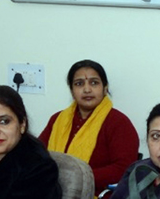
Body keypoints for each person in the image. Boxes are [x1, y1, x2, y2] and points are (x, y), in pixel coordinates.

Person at [39, 60, 140, 192]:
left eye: (94, 83)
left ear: (105, 88)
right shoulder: (57, 120)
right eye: (79, 83)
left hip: (99, 198)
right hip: (53, 192)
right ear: (72, 90)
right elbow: (37, 155)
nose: (87, 89)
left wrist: (76, 178)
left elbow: (124, 168)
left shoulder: (118, 122)